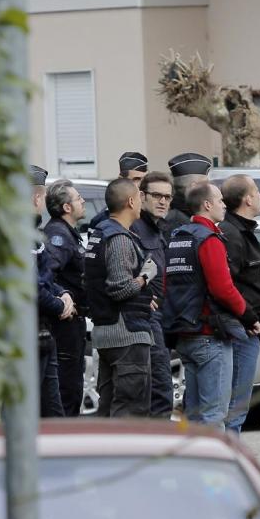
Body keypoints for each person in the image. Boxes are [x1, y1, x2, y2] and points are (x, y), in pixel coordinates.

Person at [161, 183, 260, 428]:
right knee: (214, 416)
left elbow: (166, 285)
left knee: (194, 417)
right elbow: (222, 289)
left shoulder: (178, 239)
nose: (224, 204)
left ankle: (194, 464)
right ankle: (214, 466)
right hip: (209, 337)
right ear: (207, 205)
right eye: (219, 200)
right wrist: (249, 316)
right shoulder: (209, 239)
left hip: (183, 335)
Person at [84, 178, 158, 417]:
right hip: (125, 335)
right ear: (130, 201)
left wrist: (145, 298)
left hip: (106, 335)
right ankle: (126, 456)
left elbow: (95, 283)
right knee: (131, 413)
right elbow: (119, 288)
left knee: (109, 411)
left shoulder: (99, 234)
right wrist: (146, 277)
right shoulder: (119, 239)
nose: (141, 202)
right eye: (139, 197)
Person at [219, 175, 260, 432]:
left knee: (237, 406)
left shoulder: (242, 232)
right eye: (257, 191)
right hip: (242, 331)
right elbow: (226, 284)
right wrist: (249, 318)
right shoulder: (232, 235)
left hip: (248, 330)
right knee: (235, 407)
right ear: (247, 199)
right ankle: (228, 463)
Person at [30, 165, 74, 418]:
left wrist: (63, 294)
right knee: (26, 413)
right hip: (30, 335)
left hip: (44, 334)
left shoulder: (35, 234)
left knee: (53, 413)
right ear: (37, 198)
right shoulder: (21, 235)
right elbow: (32, 286)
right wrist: (60, 306)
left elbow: (46, 278)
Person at [43, 180, 88, 416]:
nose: (82, 201)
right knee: (66, 391)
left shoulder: (68, 234)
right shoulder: (58, 236)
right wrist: (64, 296)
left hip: (73, 325)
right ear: (66, 207)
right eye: (78, 198)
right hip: (64, 324)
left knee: (72, 388)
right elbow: (45, 276)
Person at [132, 171, 175, 418]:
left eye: (167, 197)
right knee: (158, 389)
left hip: (157, 318)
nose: (162, 201)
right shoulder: (136, 228)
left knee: (159, 389)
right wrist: (145, 300)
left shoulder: (158, 229)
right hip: (143, 318)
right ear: (142, 196)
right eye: (157, 195)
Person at [90, 151, 149, 229]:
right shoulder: (103, 220)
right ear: (121, 179)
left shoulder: (150, 216)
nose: (141, 184)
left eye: (144, 179)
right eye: (136, 179)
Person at [165, 152, 212, 230]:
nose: (209, 187)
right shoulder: (177, 221)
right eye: (205, 184)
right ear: (194, 187)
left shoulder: (185, 213)